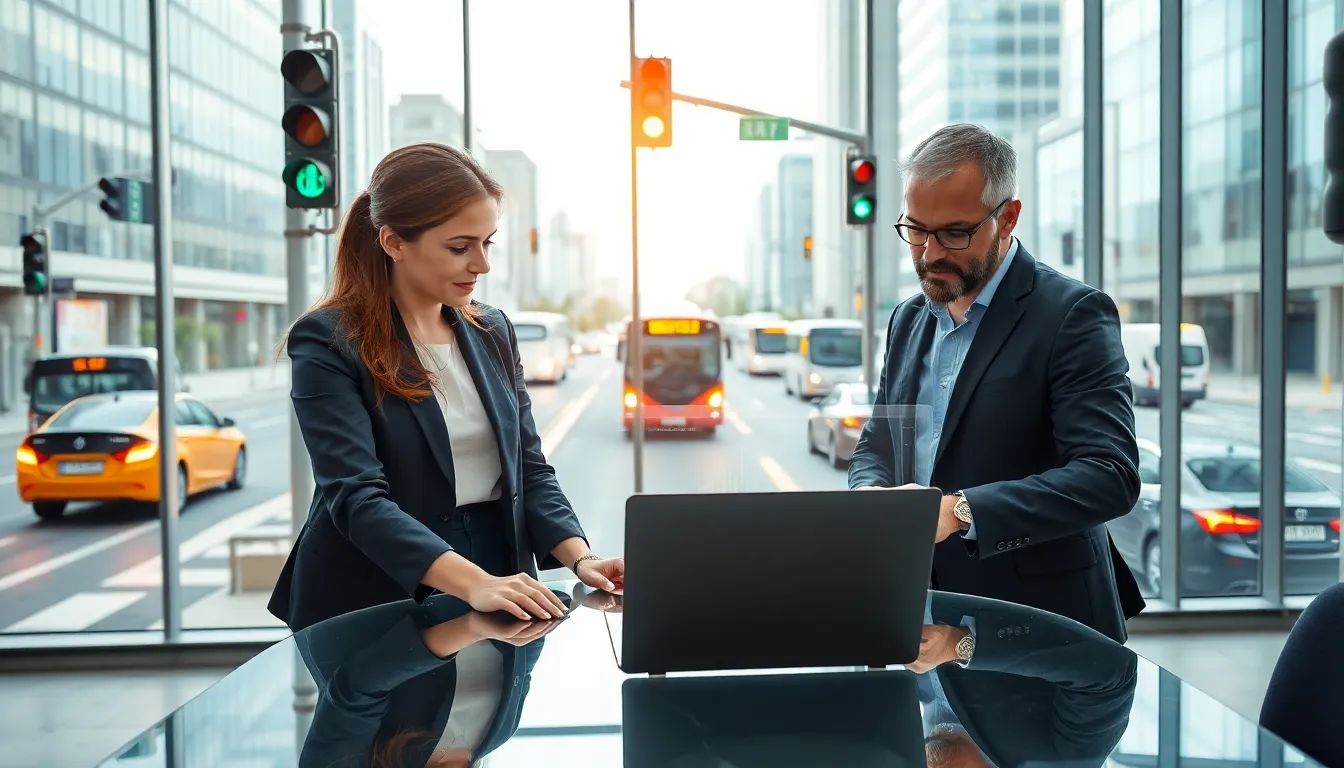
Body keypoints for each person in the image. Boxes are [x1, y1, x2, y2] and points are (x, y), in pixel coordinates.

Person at [268, 142, 623, 632]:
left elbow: (529, 467)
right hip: (376, 591)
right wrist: (473, 581)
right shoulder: (330, 340)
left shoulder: (492, 330)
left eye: (487, 243)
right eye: (460, 247)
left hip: (501, 575)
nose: (482, 265)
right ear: (393, 242)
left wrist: (582, 559)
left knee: (490, 710)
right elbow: (355, 499)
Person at [847, 123, 1145, 643]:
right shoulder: (908, 319)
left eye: (955, 234)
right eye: (915, 229)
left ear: (1007, 217)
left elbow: (1109, 476)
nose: (928, 253)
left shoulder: (1072, 314)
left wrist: (960, 512)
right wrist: (875, 498)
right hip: (920, 621)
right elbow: (882, 441)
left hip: (1042, 632)